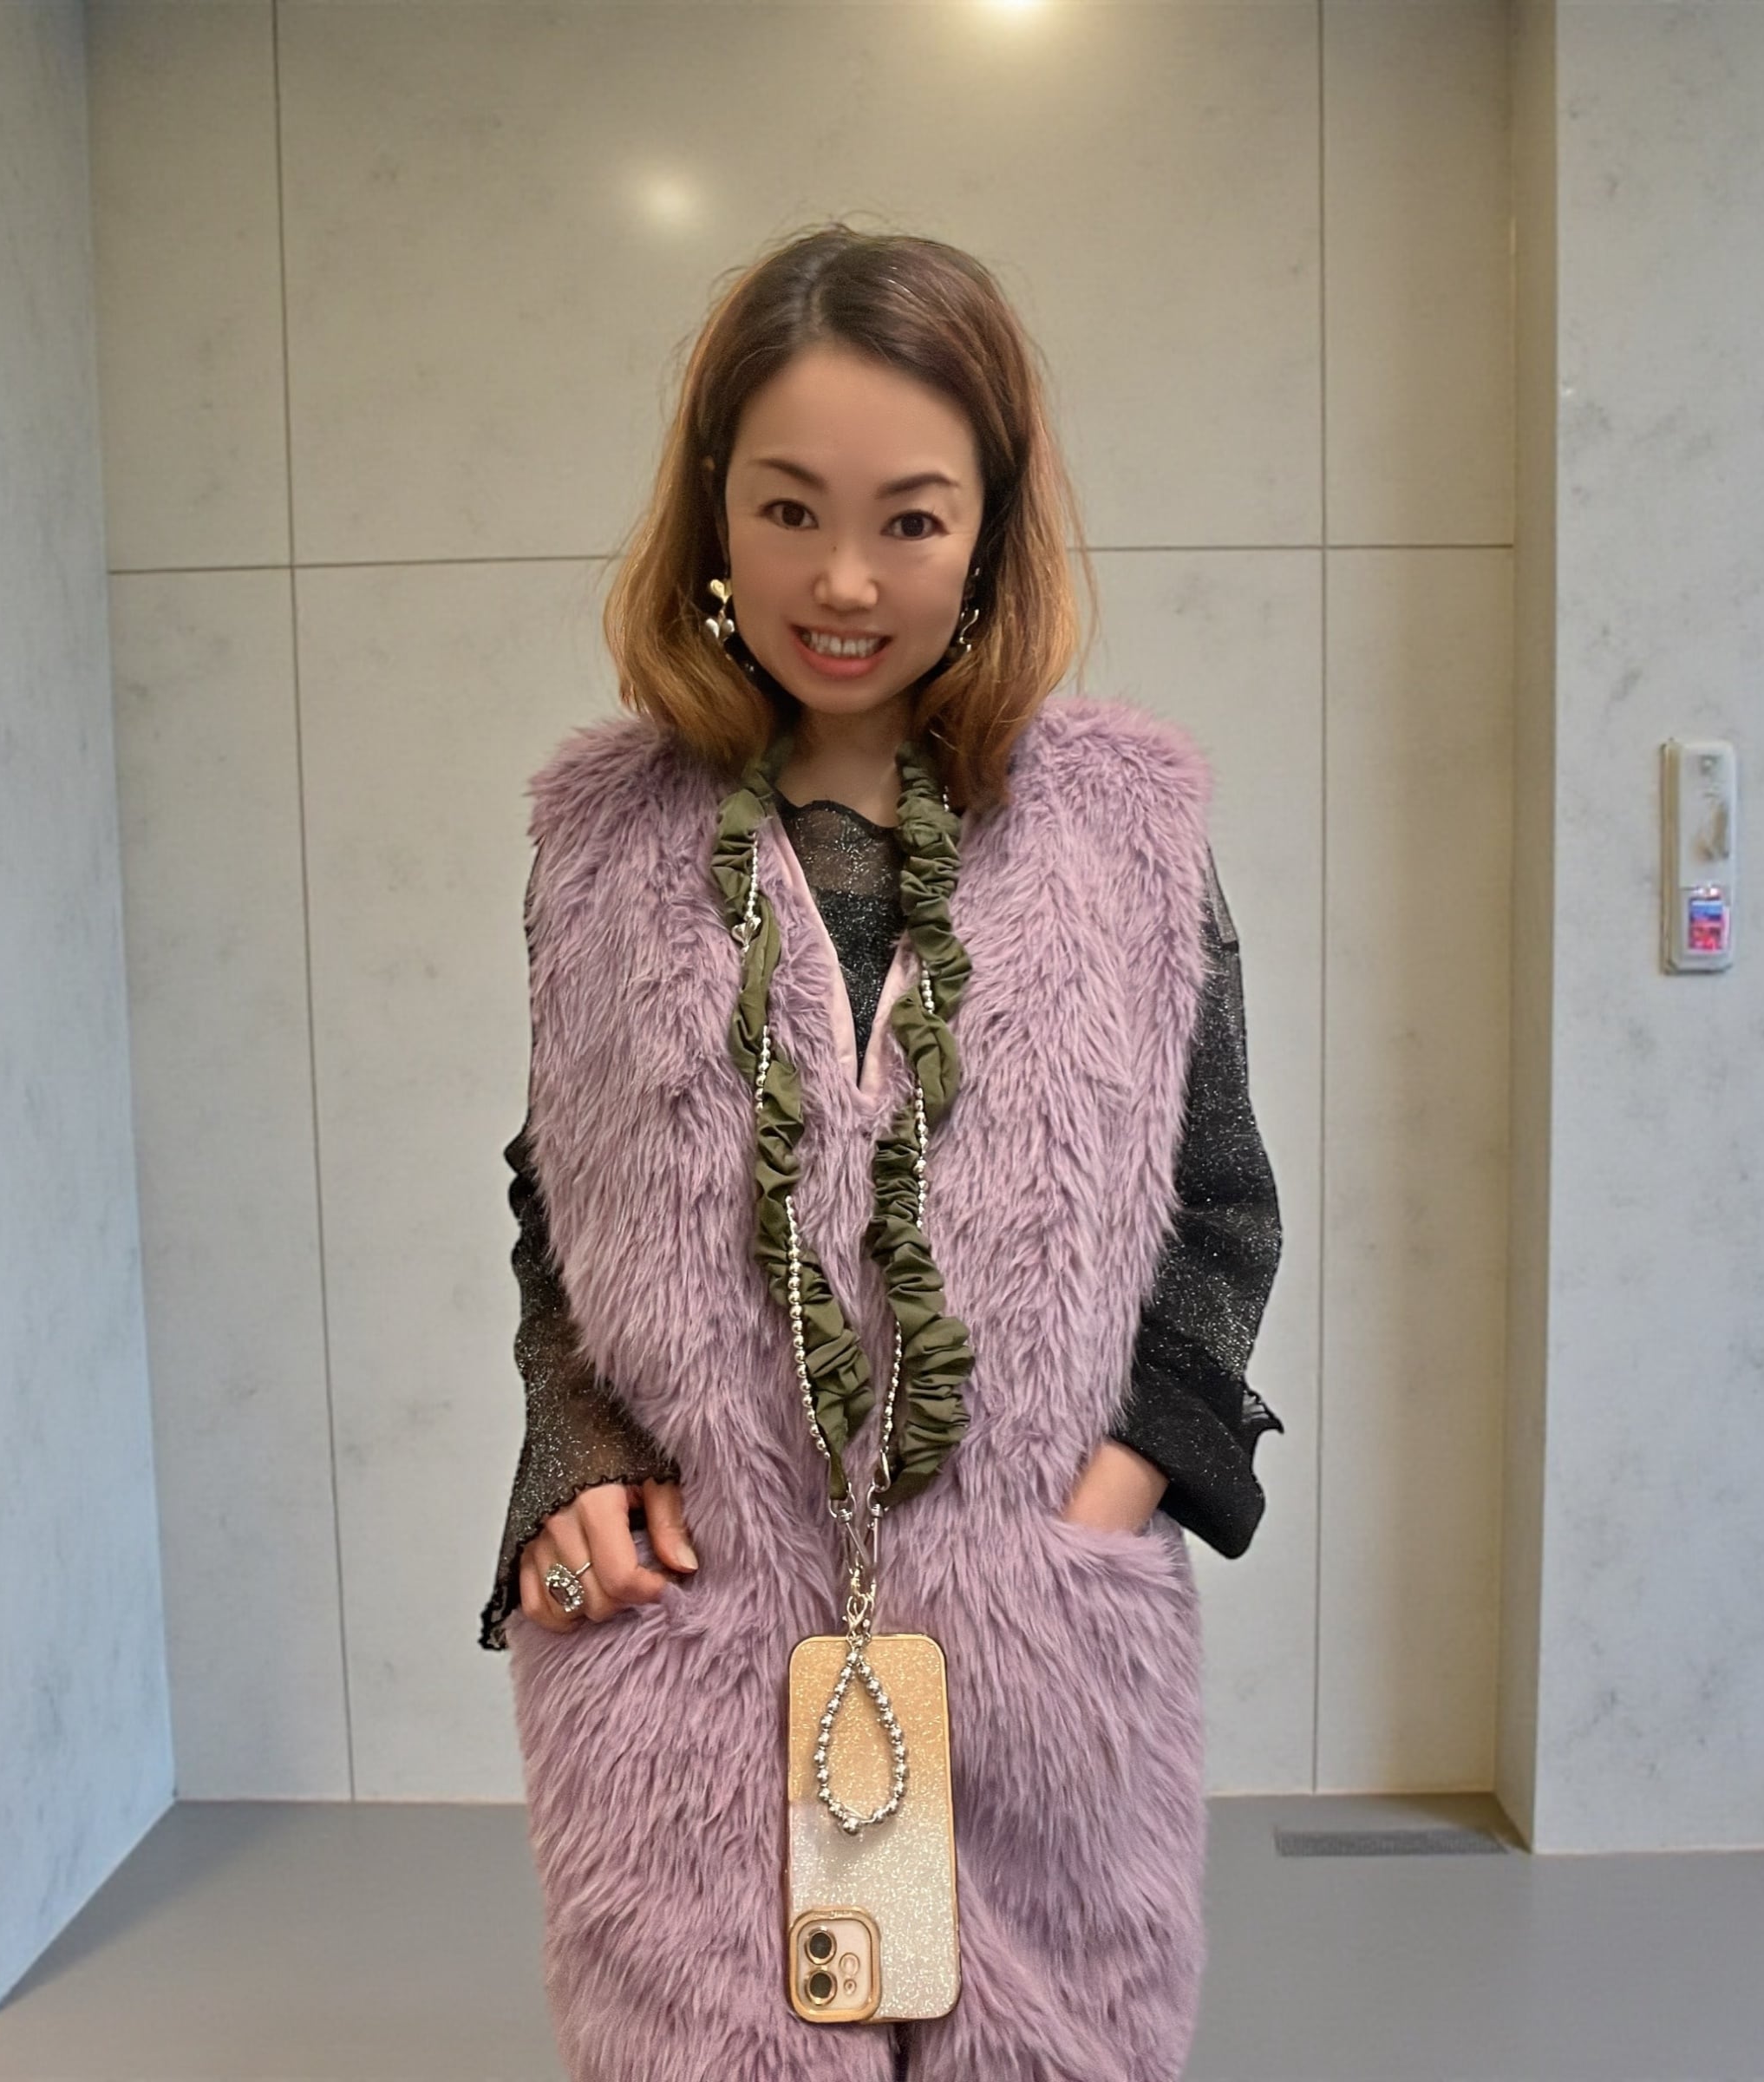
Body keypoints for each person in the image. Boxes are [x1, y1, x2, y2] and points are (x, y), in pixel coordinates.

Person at [480, 223, 1284, 2082]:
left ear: (991, 530)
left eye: (911, 519)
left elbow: (1219, 1206)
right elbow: (556, 1200)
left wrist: (1107, 1503)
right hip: (695, 1649)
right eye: (789, 510)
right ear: (712, 511)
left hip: (1031, 1650)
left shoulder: (1130, 839)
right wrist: (576, 1451)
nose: (842, 580)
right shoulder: (598, 846)